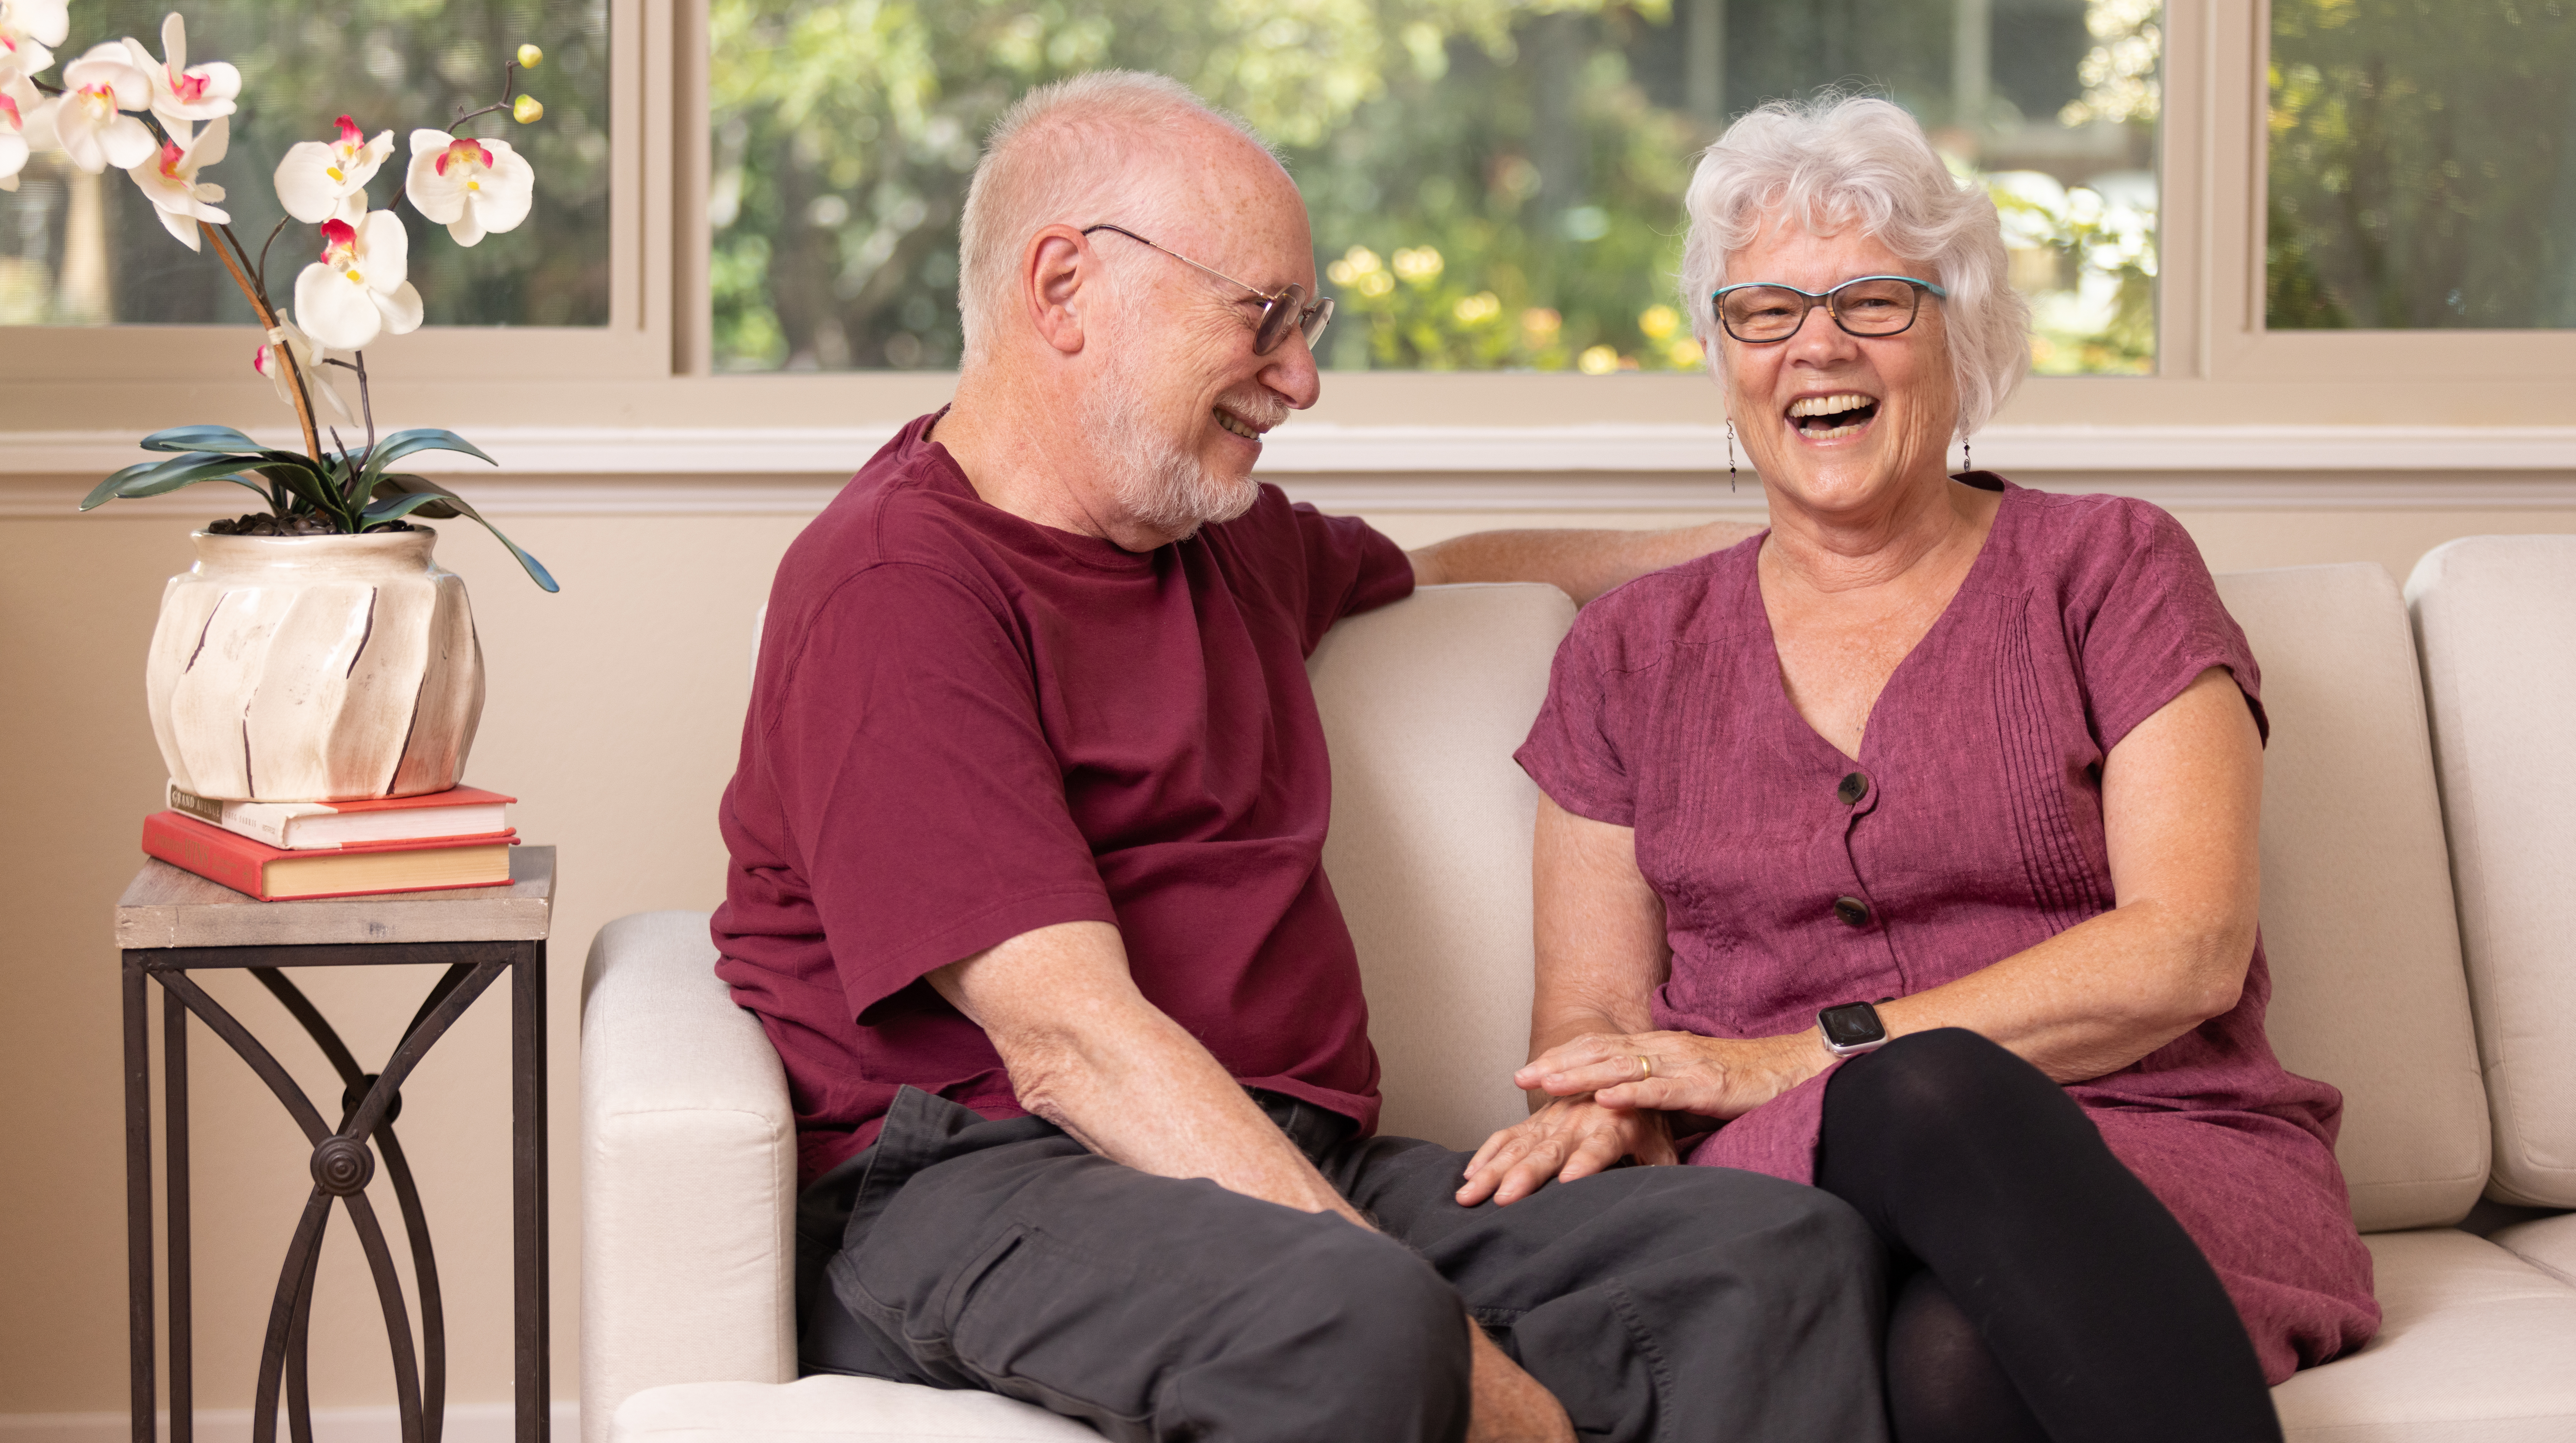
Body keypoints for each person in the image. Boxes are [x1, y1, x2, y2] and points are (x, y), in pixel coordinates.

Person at [711, 70, 1894, 1443]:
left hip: (1291, 1163)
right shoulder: (895, 587)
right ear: (1065, 288)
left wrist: (1829, 546)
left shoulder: (1220, 544)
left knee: (1770, 1257)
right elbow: (1070, 1047)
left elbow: (1451, 570)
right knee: (1359, 1319)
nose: (1301, 379)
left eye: (1306, 325)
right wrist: (1491, 1393)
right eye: (1263, 316)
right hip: (992, 1182)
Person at [1456, 94, 2379, 1443]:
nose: (1816, 344)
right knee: (1890, 1219)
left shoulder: (2110, 568)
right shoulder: (1628, 652)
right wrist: (1600, 1108)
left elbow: (2185, 951)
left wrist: (1793, 1059)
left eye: (1874, 301)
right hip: (1787, 1189)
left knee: (1948, 1329)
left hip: (2150, 1147)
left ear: (1963, 333)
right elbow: (1588, 1017)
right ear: (1725, 358)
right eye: (1764, 310)